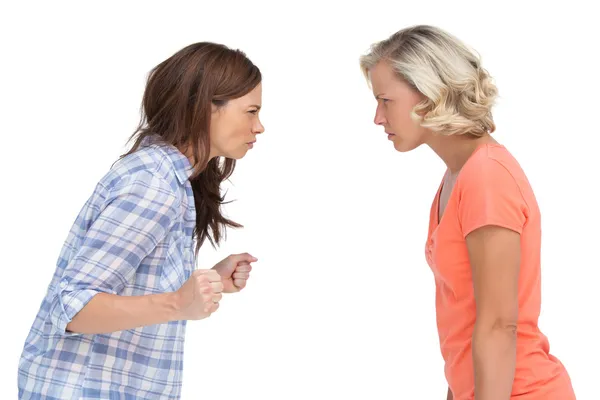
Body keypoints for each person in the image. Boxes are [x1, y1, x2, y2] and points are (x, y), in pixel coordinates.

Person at [18, 42, 264, 399]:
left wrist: (207, 282)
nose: (259, 126)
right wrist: (179, 302)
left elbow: (124, 280)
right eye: (250, 111)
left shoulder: (168, 177)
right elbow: (71, 307)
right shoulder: (154, 184)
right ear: (204, 108)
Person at [359, 25, 575, 399]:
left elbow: (498, 325)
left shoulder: (487, 177)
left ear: (428, 95)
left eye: (385, 100)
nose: (378, 117)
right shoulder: (458, 176)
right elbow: (466, 320)